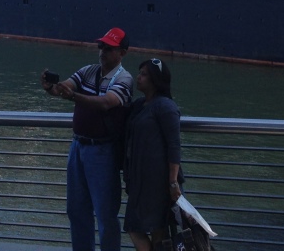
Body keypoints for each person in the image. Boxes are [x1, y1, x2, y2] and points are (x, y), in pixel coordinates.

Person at [42, 27, 134, 251]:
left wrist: (72, 95)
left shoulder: (125, 79)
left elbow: (106, 103)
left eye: (109, 48)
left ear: (122, 53)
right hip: (78, 147)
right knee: (76, 210)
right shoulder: (87, 71)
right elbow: (65, 87)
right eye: (101, 46)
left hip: (103, 151)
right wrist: (51, 88)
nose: (102, 51)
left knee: (105, 214)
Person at [123, 58, 182, 251]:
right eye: (139, 73)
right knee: (142, 228)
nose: (138, 77)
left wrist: (173, 182)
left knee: (156, 231)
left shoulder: (166, 106)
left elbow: (174, 145)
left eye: (144, 74)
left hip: (158, 182)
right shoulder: (140, 105)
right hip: (141, 180)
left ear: (156, 79)